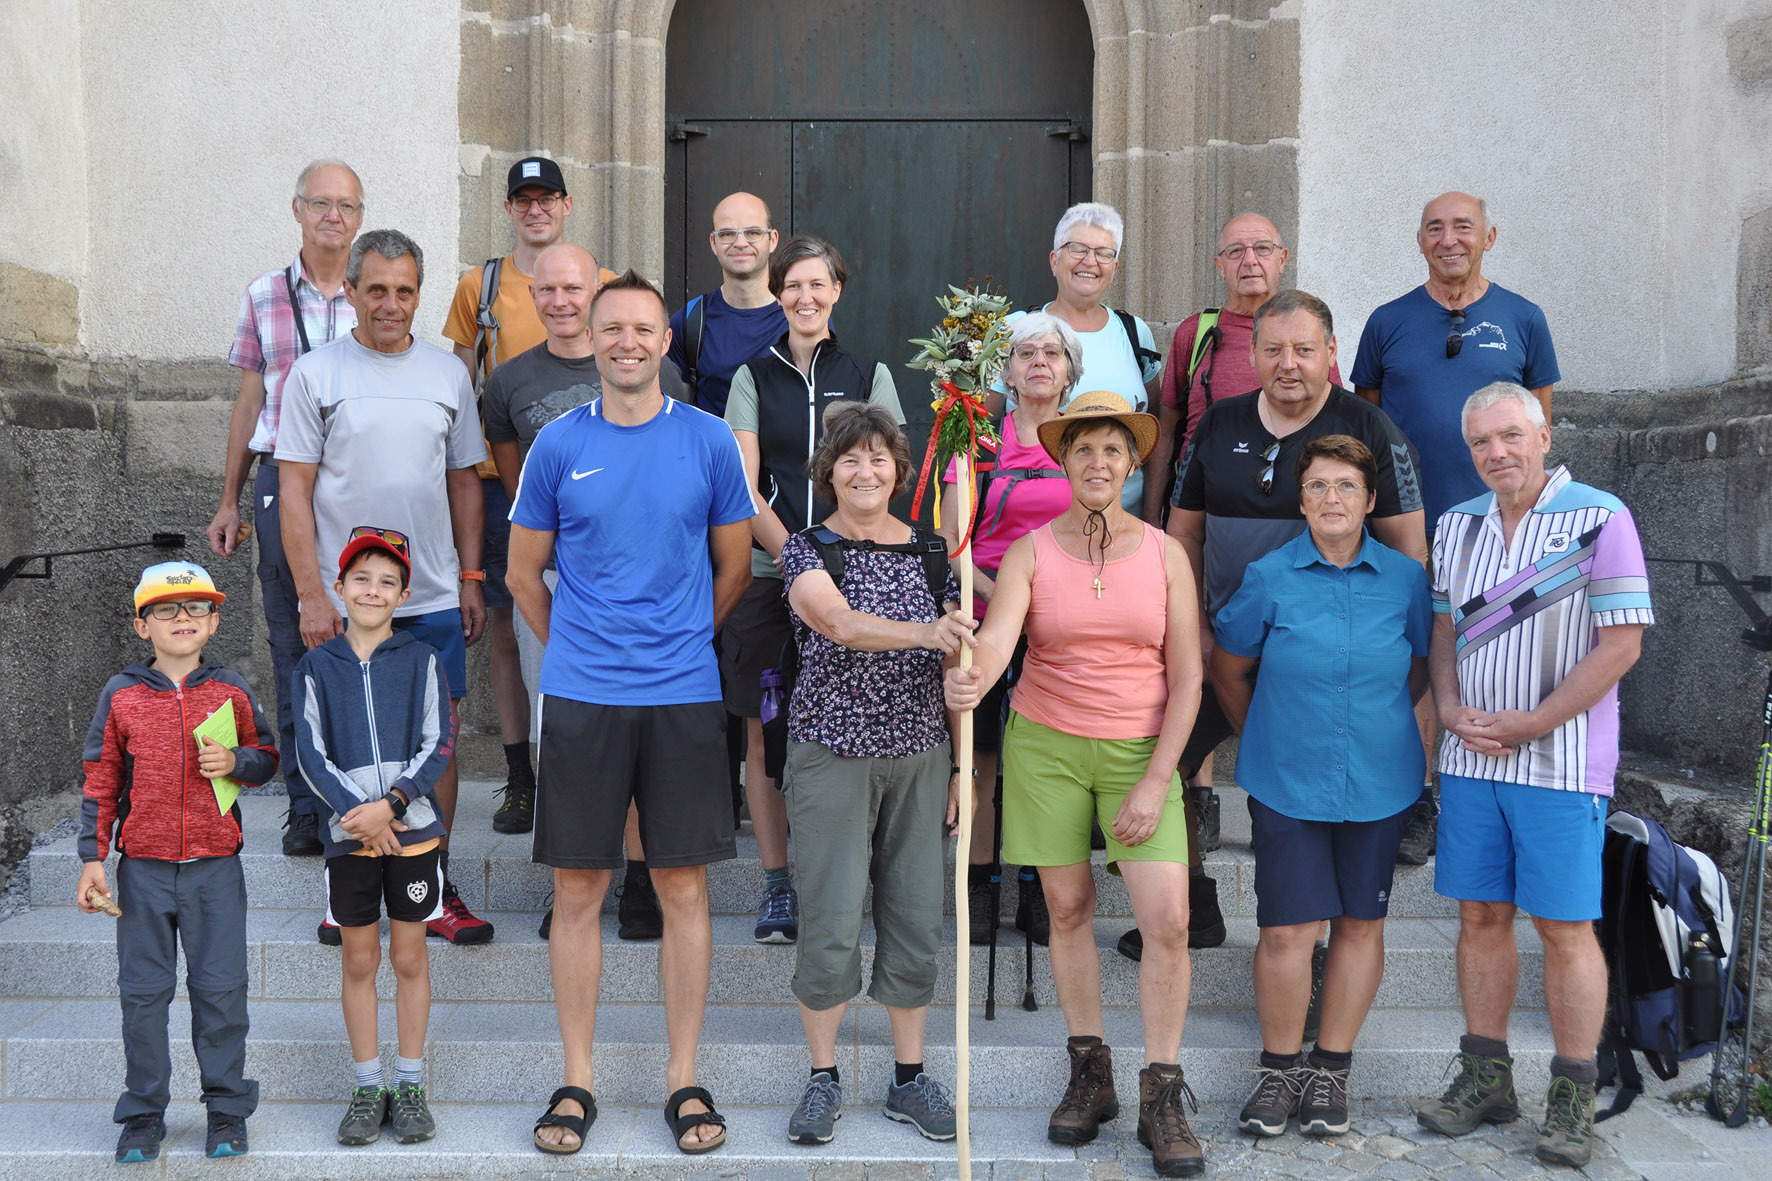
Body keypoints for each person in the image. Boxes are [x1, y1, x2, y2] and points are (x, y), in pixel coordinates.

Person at [507, 271, 754, 1157]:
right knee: (578, 889)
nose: (627, 342)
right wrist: (576, 644)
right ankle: (577, 1077)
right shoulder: (554, 446)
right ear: (593, 337)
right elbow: (521, 573)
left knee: (683, 887)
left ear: (663, 341)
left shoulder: (710, 440)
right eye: (613, 328)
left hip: (683, 696)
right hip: (582, 697)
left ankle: (683, 1076)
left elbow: (733, 567)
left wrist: (681, 639)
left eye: (644, 329)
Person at [1123, 291, 1427, 969]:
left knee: (1314, 801)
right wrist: (1192, 625)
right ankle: (1187, 902)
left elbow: (1411, 557)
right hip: (1218, 644)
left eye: (1305, 349)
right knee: (1154, 762)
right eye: (1274, 349)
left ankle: (1313, 943)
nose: (1289, 363)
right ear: (1252, 353)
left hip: (1322, 658)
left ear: (1331, 355)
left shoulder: (1372, 429)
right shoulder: (1220, 423)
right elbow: (1182, 534)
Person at [947, 390, 1208, 1178]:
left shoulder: (1166, 553)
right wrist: (970, 678)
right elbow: (997, 642)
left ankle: (1162, 1089)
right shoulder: (1029, 550)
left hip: (1140, 750)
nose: (1099, 463)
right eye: (1084, 450)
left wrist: (1157, 778)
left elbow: (1190, 676)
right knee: (1067, 907)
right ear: (1063, 462)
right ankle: (1089, 1069)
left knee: (1167, 919)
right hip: (1047, 745)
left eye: (1114, 451)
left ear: (1133, 465)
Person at [1415, 382, 1652, 1169]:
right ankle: (1486, 1075)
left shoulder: (1601, 516)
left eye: (1511, 436)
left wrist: (1536, 722)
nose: (1497, 453)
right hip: (1473, 756)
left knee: (1562, 927)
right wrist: (1448, 705)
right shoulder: (1456, 524)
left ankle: (1573, 1093)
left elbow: (1622, 645)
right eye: (1482, 441)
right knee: (1481, 916)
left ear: (1544, 434)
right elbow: (1444, 627)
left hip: (1560, 761)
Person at [1208, 435, 1431, 1139]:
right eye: (1317, 487)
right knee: (1287, 929)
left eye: (1345, 487)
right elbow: (1229, 669)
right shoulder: (1270, 576)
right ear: (1299, 499)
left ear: (1369, 500)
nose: (1331, 499)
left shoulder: (1404, 580)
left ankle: (1330, 1070)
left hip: (1379, 778)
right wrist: (1268, 732)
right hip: (1287, 781)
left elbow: (1420, 668)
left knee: (1360, 923)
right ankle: (1279, 1071)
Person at [276, 228, 494, 946]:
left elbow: (465, 481)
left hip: (429, 596)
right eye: (376, 289)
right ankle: (353, 882)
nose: (390, 304)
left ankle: (432, 881)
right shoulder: (315, 373)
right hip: (348, 603)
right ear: (352, 292)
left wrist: (468, 574)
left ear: (418, 297)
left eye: (404, 291)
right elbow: (295, 489)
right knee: (347, 741)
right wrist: (313, 593)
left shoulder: (446, 376)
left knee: (439, 741)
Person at [1352, 191, 1561, 865]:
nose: (1449, 239)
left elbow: (1536, 427)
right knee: (1416, 657)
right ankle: (1418, 798)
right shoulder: (1388, 322)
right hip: (1406, 528)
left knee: (1494, 657)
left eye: (1462, 226)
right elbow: (1368, 425)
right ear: (1419, 241)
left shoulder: (1523, 318)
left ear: (1488, 235)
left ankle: (1490, 792)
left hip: (1500, 529)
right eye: (1435, 228)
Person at [779, 403, 968, 1146]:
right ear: (830, 470)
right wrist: (927, 632)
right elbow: (839, 624)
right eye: (851, 459)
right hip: (831, 753)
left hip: (920, 755)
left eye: (879, 458)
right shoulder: (807, 549)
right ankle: (822, 1077)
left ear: (899, 470)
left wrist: (960, 755)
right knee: (829, 918)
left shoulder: (933, 552)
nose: (865, 472)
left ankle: (908, 1078)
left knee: (917, 916)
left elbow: (957, 657)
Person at [482, 242, 680, 942]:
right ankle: (572, 877)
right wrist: (566, 627)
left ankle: (634, 880)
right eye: (549, 288)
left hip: (654, 594)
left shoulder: (670, 382)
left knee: (636, 749)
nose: (562, 299)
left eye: (575, 286)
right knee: (564, 740)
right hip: (565, 583)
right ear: (534, 295)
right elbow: (517, 492)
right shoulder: (511, 382)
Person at [724, 236, 906, 944]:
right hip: (773, 578)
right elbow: (742, 482)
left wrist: (835, 556)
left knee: (853, 730)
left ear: (838, 291)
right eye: (792, 285)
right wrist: (798, 556)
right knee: (765, 732)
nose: (805, 297)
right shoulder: (751, 375)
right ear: (777, 294)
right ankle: (777, 884)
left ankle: (843, 875)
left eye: (818, 284)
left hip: (859, 576)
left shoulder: (869, 371)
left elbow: (884, 466)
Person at [1146, 213, 1346, 853]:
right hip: (1208, 515)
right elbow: (1169, 421)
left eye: (1262, 248)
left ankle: (1286, 809)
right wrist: (1157, 515)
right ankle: (1198, 807)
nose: (1249, 260)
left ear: (1282, 257)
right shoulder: (1197, 335)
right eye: (1236, 250)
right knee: (1197, 665)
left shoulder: (1308, 331)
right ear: (1219, 263)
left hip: (1296, 532)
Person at [77, 561, 277, 1163]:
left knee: (221, 991)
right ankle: (142, 1114)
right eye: (167, 609)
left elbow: (266, 757)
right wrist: (94, 856)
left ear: (214, 621)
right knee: (143, 994)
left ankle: (226, 1109)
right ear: (143, 626)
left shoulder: (231, 689)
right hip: (143, 870)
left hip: (215, 868)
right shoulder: (122, 694)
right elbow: (101, 775)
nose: (182, 618)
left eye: (195, 608)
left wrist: (237, 762)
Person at [442, 155, 607, 838]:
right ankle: (522, 774)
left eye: (547, 199)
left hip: (598, 504)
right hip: (506, 488)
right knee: (511, 632)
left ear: (567, 205)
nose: (535, 209)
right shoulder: (478, 285)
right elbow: (458, 391)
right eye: (523, 200)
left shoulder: (604, 280)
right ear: (509, 209)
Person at [207, 158, 362, 860]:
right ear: (296, 209)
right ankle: (304, 804)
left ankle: (360, 792)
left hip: (357, 482)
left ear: (360, 217)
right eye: (320, 203)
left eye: (346, 205)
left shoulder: (375, 295)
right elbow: (249, 402)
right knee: (295, 641)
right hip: (279, 480)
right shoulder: (265, 294)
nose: (334, 215)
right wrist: (230, 498)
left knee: (366, 637)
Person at [290, 529, 455, 1148]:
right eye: (361, 578)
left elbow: (438, 743)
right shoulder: (316, 666)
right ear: (339, 588)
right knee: (360, 958)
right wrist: (359, 814)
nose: (373, 589)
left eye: (388, 581)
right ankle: (367, 1084)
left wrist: (392, 806)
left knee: (409, 956)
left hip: (410, 831)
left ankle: (408, 1083)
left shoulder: (422, 660)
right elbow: (308, 750)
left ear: (404, 594)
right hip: (349, 834)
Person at [935, 311, 1079, 946]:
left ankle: (1040, 885)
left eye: (1053, 352)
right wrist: (1011, 602)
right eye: (1026, 353)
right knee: (983, 756)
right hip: (985, 611)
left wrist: (1046, 605)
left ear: (1071, 370)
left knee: (1049, 757)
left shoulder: (1085, 439)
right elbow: (953, 538)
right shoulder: (974, 438)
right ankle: (980, 884)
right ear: (1008, 371)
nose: (1039, 362)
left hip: (1066, 620)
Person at [989, 202, 1163, 516]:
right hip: (1031, 526)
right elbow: (977, 431)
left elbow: (1153, 431)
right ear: (1054, 260)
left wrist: (1152, 517)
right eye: (1077, 248)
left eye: (1103, 253)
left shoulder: (1135, 333)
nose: (1090, 261)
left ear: (1115, 267)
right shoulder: (1013, 330)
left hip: (1123, 526)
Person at [667, 191, 788, 416]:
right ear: (714, 243)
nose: (740, 243)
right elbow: (678, 415)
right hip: (716, 451)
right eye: (727, 234)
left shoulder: (799, 315)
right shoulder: (690, 322)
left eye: (753, 233)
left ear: (772, 240)